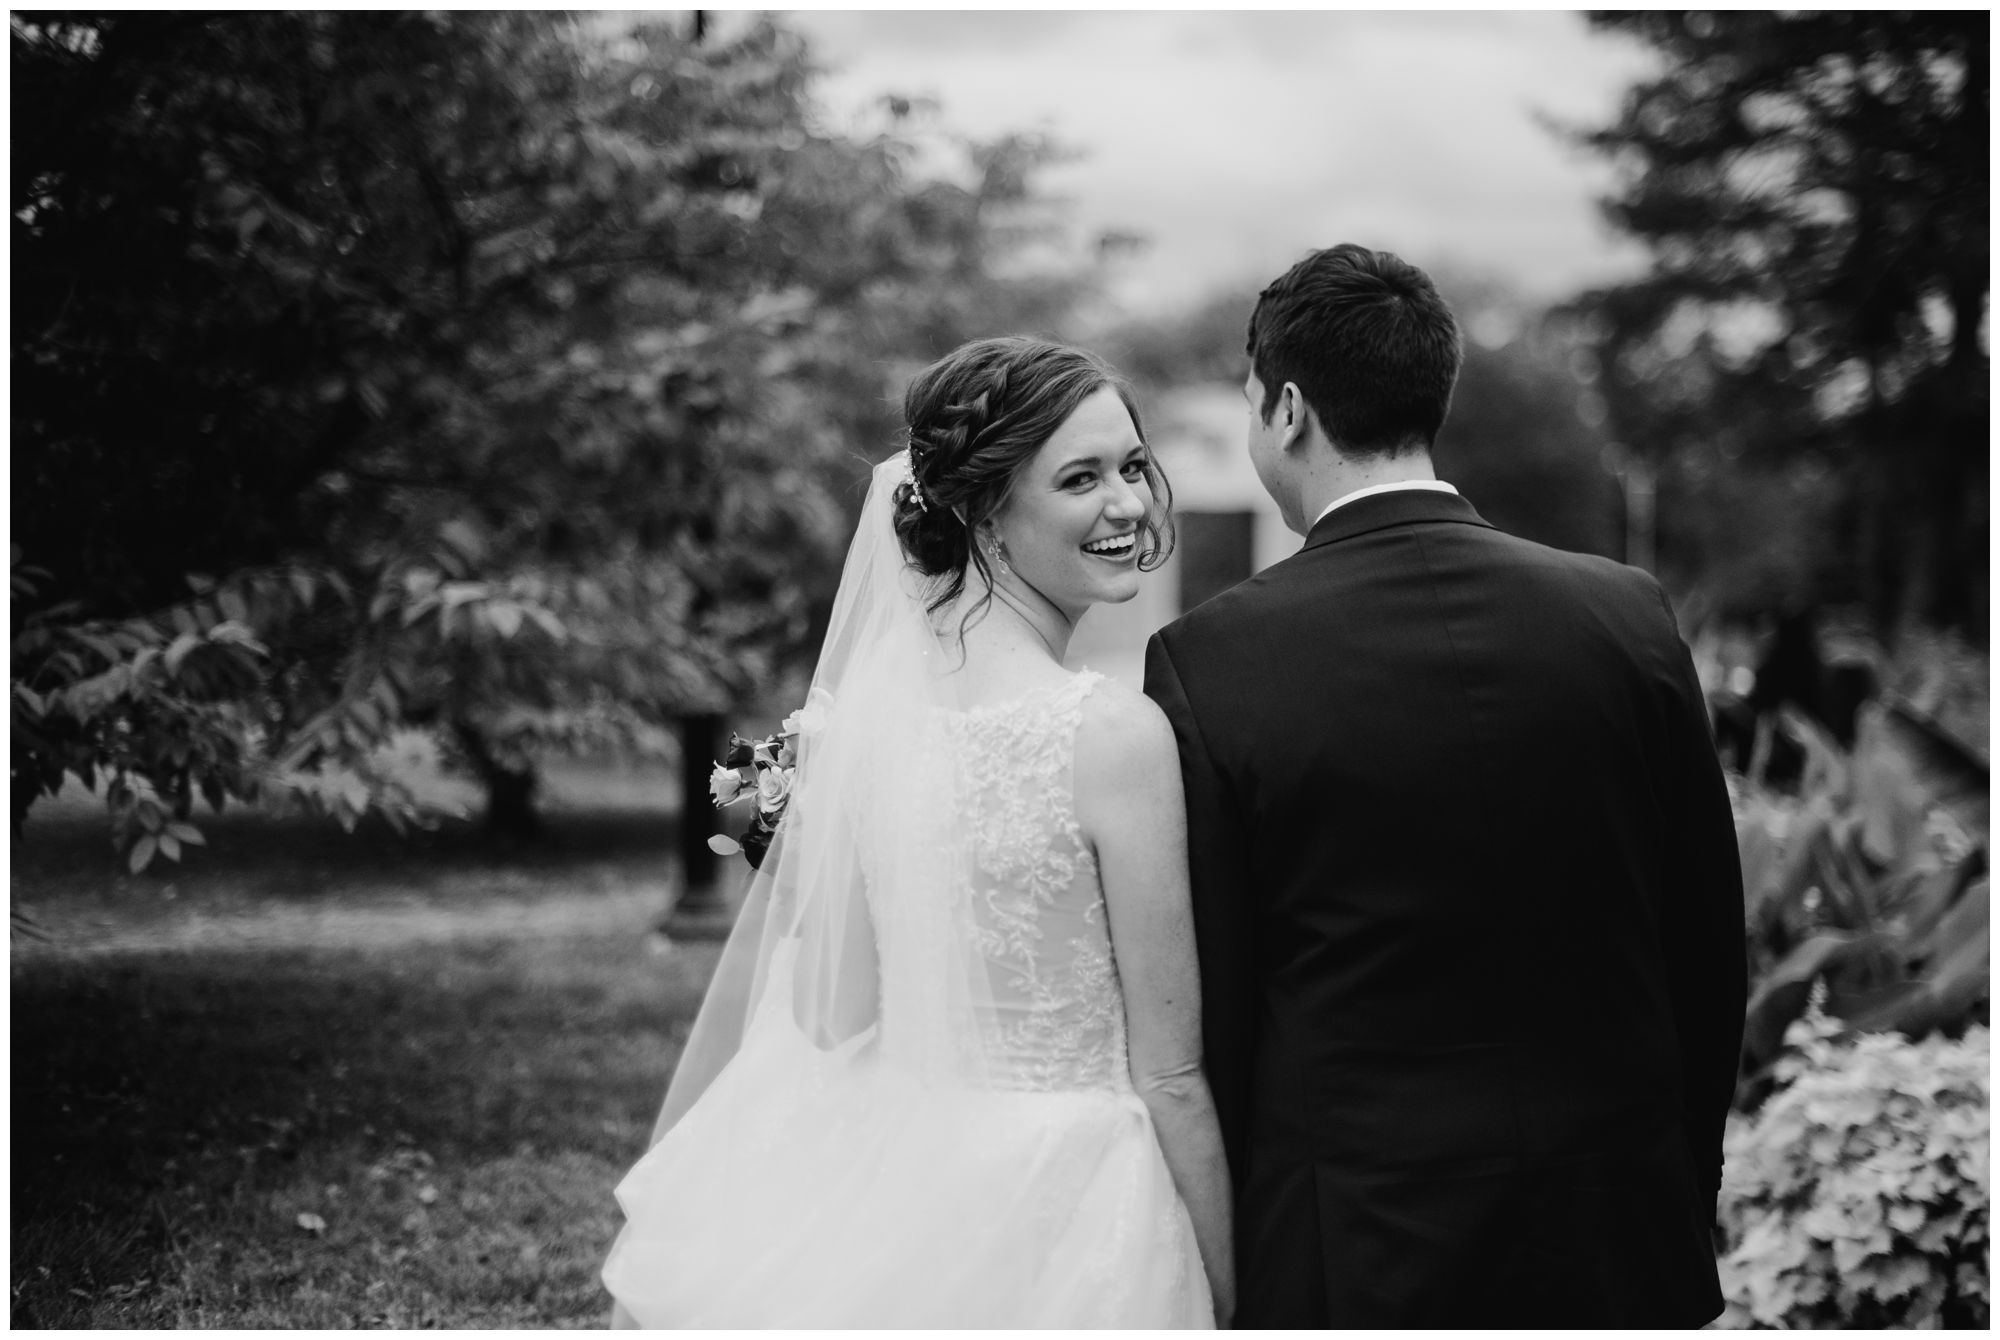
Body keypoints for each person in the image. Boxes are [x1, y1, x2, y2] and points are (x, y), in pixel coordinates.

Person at [1143, 244, 1746, 1328]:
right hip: (1615, 1223)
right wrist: (1673, 1183)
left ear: (1284, 409)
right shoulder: (1624, 614)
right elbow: (1705, 941)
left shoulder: (1209, 658)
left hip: (1355, 1243)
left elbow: (1223, 999)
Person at [602, 337, 1233, 1327]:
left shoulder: (861, 727)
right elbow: (1170, 1072)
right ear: (985, 509)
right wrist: (1229, 1289)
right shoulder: (1109, 733)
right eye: (1079, 477)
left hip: (906, 1175)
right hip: (1077, 1200)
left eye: (1130, 465)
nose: (1127, 501)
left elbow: (832, 1015)